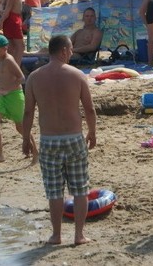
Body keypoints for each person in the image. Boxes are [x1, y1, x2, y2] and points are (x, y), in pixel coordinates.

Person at [22, 35, 96, 246]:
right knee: (80, 188)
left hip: (49, 140)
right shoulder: (77, 75)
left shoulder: (35, 78)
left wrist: (26, 139)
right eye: (71, 50)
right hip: (73, 138)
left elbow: (28, 112)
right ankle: (79, 235)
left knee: (54, 190)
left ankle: (56, 235)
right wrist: (92, 132)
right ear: (63, 50)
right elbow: (89, 109)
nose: (72, 53)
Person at [0, 35, 36, 164]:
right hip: (1, 96)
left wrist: (8, 90)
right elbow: (3, 79)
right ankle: (0, 154)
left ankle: (35, 152)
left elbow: (21, 78)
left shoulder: (8, 60)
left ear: (5, 48)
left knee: (21, 127)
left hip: (14, 96)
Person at [0, 0, 26, 65]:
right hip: (13, 18)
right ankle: (16, 70)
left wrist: (2, 17)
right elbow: (9, 5)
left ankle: (9, 68)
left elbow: (4, 3)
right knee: (21, 47)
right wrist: (2, 19)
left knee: (11, 47)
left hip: (9, 18)